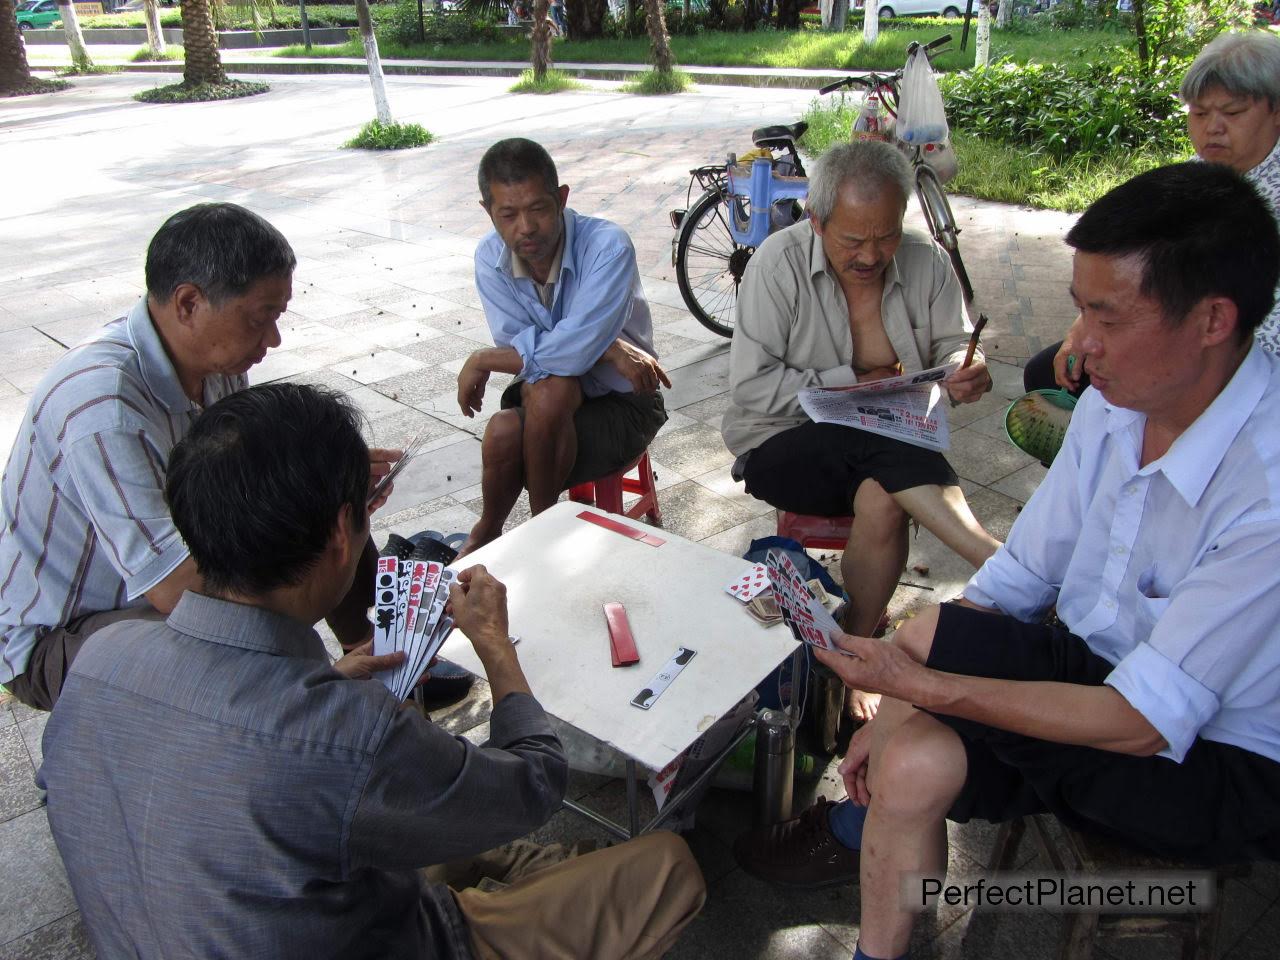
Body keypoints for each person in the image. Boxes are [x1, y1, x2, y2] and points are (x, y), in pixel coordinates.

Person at [737, 161, 1280, 960]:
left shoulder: (1265, 487)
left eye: (1109, 319)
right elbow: (1020, 577)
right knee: (915, 739)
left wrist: (920, 688)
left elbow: (1144, 721)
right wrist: (894, 716)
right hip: (1091, 668)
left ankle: (864, 831)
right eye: (1077, 312)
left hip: (1203, 760)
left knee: (920, 663)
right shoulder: (1114, 403)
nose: (1079, 349)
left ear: (1212, 319)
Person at [38, 382, 706, 960]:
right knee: (669, 868)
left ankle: (505, 869)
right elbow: (534, 783)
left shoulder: (100, 657)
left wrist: (326, 677)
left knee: (428, 826)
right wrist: (497, 649)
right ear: (340, 536)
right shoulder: (348, 735)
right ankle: (508, 881)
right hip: (400, 941)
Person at [0, 202, 405, 712]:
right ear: (188, 303)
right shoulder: (101, 407)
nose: (273, 340)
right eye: (262, 318)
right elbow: (178, 593)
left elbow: (249, 483)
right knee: (222, 646)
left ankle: (382, 663)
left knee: (334, 511)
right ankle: (314, 706)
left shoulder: (217, 362)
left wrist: (325, 474)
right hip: (66, 629)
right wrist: (311, 680)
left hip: (176, 576)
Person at [721, 140, 1000, 720]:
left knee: (882, 494)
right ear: (818, 220)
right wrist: (849, 383)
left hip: (880, 453)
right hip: (781, 444)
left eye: (886, 235)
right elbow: (751, 388)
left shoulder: (925, 263)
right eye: (853, 240)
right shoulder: (777, 264)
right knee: (880, 433)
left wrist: (962, 368)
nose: (872, 255)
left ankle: (855, 657)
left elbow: (954, 342)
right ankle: (995, 559)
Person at [1025, 29, 1280, 394]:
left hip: (1224, 361)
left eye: (1233, 112)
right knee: (1049, 373)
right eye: (1199, 112)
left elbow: (1264, 337)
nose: (1213, 128)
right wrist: (1086, 325)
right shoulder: (1194, 176)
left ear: (1277, 111)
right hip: (1157, 327)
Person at [457, 138, 669, 555]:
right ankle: (488, 529)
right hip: (549, 400)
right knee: (503, 428)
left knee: (552, 389)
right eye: (508, 214)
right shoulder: (489, 256)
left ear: (561, 198)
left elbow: (549, 356)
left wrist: (483, 359)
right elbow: (525, 347)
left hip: (625, 403)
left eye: (537, 209)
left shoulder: (607, 246)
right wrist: (603, 345)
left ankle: (542, 528)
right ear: (488, 213)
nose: (526, 227)